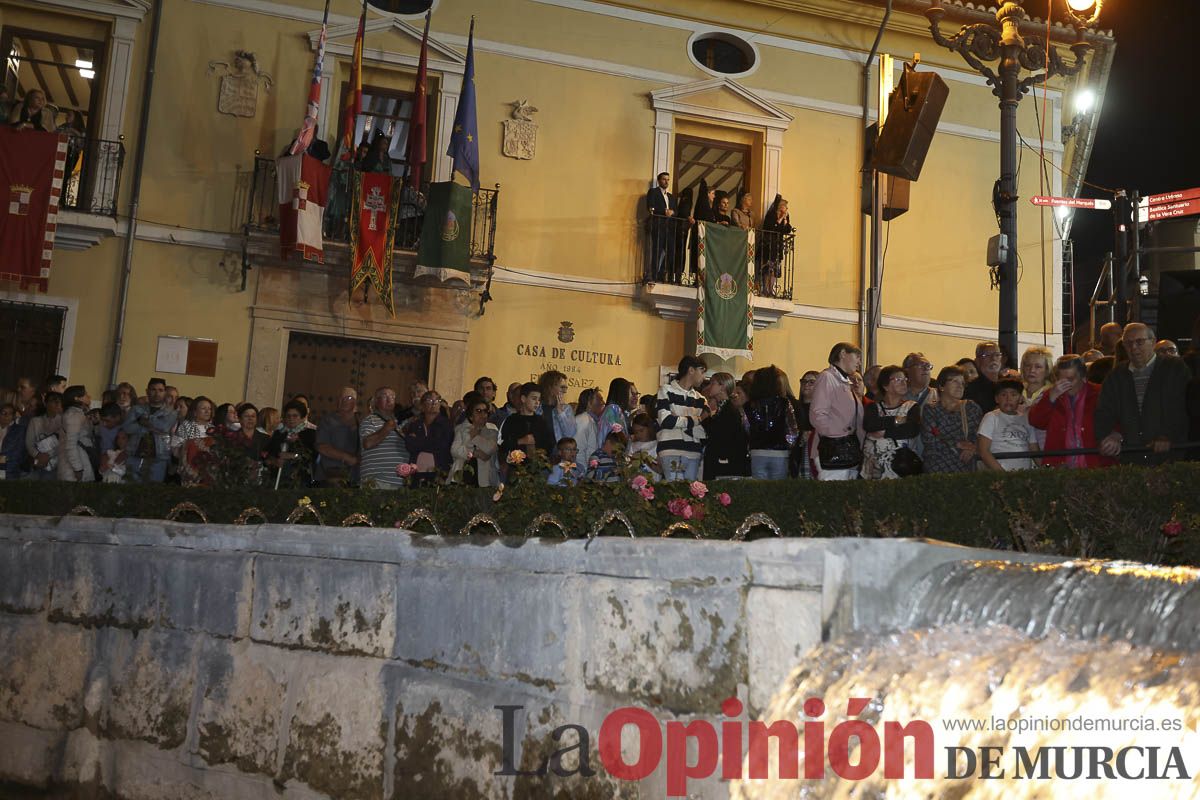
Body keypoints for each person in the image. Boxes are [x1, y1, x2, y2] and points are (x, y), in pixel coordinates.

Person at [1095, 323, 1192, 465]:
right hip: (1131, 459)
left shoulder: (1174, 369)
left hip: (1170, 457)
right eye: (1128, 343)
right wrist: (1110, 435)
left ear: (1153, 342)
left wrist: (1168, 436)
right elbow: (1104, 412)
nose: (1134, 348)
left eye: (1139, 342)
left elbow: (1183, 408)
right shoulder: (1116, 376)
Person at [1027, 355, 1111, 469]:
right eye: (1061, 380)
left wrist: (1116, 436)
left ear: (1083, 377)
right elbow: (1036, 421)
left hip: (1095, 464)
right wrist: (1050, 398)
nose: (1065, 384)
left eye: (1070, 379)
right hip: (1060, 467)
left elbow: (1117, 419)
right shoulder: (1051, 394)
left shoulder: (1100, 393)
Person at [810, 343, 865, 481]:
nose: (859, 362)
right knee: (834, 497)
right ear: (842, 354)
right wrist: (839, 436)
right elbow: (817, 414)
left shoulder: (845, 381)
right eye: (857, 356)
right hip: (834, 450)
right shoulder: (827, 377)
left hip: (849, 449)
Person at [861, 366, 922, 480]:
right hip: (874, 468)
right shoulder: (873, 407)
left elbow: (911, 430)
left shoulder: (912, 407)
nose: (904, 383)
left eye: (905, 380)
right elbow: (870, 425)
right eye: (898, 380)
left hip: (902, 466)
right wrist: (897, 420)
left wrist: (884, 432)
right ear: (885, 386)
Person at [655, 355, 708, 481]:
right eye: (702, 371)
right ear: (691, 370)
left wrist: (678, 419)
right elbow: (666, 421)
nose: (704, 377)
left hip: (693, 451)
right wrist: (696, 419)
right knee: (673, 493)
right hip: (669, 449)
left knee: (691, 494)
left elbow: (703, 431)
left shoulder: (701, 399)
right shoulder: (665, 390)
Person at [921, 365, 982, 473]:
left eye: (963, 383)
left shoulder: (971, 407)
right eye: (955, 381)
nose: (960, 386)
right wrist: (959, 444)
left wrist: (973, 447)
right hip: (935, 469)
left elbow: (979, 436)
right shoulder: (931, 409)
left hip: (965, 468)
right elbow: (929, 439)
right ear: (941, 386)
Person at [745, 365, 799, 480]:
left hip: (757, 451)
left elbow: (746, 427)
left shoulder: (749, 405)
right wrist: (788, 446)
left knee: (759, 490)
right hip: (780, 452)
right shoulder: (784, 403)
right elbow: (792, 429)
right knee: (777, 490)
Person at [977, 379, 1040, 472]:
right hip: (1001, 475)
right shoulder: (991, 417)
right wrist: (1002, 474)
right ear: (996, 399)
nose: (1008, 398)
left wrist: (1047, 469)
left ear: (1020, 398)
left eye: (1013, 395)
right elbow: (984, 451)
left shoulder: (1026, 419)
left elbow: (1034, 448)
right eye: (1003, 395)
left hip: (1025, 474)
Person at [123, 378, 178, 482]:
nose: (157, 393)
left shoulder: (171, 412)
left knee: (153, 491)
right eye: (153, 389)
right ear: (147, 391)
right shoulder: (136, 409)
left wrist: (143, 420)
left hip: (159, 457)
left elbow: (164, 427)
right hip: (134, 455)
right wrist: (147, 427)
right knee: (130, 490)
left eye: (160, 390)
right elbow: (127, 428)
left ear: (165, 392)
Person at [359, 386, 408, 489]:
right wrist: (386, 428)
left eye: (392, 397)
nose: (390, 399)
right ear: (376, 401)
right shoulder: (370, 420)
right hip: (377, 480)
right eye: (385, 396)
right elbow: (367, 443)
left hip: (400, 482)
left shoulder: (401, 423)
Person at [403, 390, 454, 481]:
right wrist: (430, 441)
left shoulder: (446, 424)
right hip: (416, 471)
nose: (434, 403)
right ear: (422, 406)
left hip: (438, 472)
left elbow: (441, 445)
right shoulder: (415, 424)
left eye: (437, 401)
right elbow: (409, 445)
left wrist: (418, 441)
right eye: (430, 400)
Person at [498, 382, 554, 464]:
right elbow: (501, 444)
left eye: (539, 399)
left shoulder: (542, 422)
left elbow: (549, 445)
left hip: (538, 468)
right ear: (523, 399)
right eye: (534, 398)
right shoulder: (511, 420)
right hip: (516, 468)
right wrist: (520, 441)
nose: (537, 402)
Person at [314, 387, 360, 486]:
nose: (343, 401)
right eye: (341, 398)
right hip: (329, 475)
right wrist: (347, 458)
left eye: (348, 398)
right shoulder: (328, 420)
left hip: (353, 477)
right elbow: (322, 447)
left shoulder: (360, 422)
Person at [450, 397, 499, 487]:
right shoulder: (461, 429)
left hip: (484, 479)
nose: (482, 414)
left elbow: (490, 449)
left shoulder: (492, 430)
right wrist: (474, 453)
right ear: (470, 416)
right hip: (461, 474)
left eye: (485, 411)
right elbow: (454, 450)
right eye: (478, 411)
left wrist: (475, 437)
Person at [175, 396, 216, 486]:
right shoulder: (185, 426)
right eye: (203, 408)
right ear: (194, 412)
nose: (207, 411)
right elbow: (176, 450)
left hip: (209, 472)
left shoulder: (215, 430)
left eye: (209, 409)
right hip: (190, 470)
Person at [57, 386, 95, 482]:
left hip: (77, 463)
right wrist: (78, 469)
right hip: (73, 469)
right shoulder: (73, 415)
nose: (89, 396)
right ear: (77, 398)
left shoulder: (78, 413)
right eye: (85, 394)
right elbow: (71, 444)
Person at [759, 195, 794, 298]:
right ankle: (765, 288)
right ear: (780, 207)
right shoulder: (772, 215)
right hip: (770, 244)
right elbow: (772, 228)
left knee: (775, 268)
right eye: (785, 207)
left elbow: (787, 230)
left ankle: (771, 289)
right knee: (768, 267)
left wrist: (785, 221)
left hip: (778, 245)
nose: (787, 209)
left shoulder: (786, 217)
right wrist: (780, 220)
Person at [646, 172, 677, 282]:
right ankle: (653, 275)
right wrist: (664, 212)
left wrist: (672, 212)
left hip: (669, 228)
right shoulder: (653, 192)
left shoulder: (671, 197)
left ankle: (662, 273)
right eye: (664, 179)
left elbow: (676, 211)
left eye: (668, 179)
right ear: (659, 181)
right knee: (657, 251)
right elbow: (651, 207)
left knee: (671, 252)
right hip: (658, 226)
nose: (666, 181)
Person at [24, 391, 63, 480]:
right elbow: (29, 443)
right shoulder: (35, 421)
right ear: (45, 403)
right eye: (53, 401)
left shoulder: (64, 422)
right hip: (37, 462)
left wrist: (48, 455)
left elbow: (64, 443)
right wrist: (38, 455)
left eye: (59, 401)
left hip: (57, 464)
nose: (57, 404)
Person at [537, 370, 576, 459]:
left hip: (559, 459)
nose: (565, 391)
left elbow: (570, 434)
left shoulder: (566, 409)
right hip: (539, 458)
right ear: (550, 387)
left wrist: (560, 411)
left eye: (566, 388)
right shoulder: (537, 407)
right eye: (562, 387)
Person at [964, 341, 1004, 413]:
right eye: (987, 355)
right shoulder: (971, 390)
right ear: (977, 361)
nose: (993, 358)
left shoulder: (1007, 384)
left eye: (997, 355)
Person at [572, 387, 605, 465]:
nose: (603, 402)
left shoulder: (593, 421)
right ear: (589, 404)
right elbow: (578, 451)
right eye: (600, 400)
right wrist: (583, 473)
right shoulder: (583, 421)